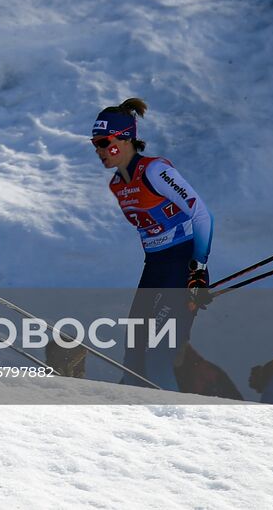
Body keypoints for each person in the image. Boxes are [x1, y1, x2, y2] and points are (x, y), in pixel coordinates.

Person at [91, 98, 213, 390]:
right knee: (133, 350)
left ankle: (173, 422)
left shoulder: (155, 171)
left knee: (158, 354)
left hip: (182, 263)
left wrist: (198, 270)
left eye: (104, 142)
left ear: (126, 138)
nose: (99, 150)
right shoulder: (117, 185)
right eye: (94, 143)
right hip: (155, 267)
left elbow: (201, 214)